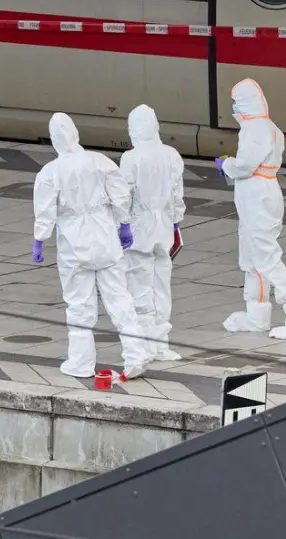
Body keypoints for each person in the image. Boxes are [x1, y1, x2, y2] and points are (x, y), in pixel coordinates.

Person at [32, 112, 151, 381]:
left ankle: (81, 363)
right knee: (120, 299)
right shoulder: (100, 162)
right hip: (105, 238)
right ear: (75, 133)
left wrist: (39, 240)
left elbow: (45, 211)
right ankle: (136, 355)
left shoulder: (50, 173)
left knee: (78, 305)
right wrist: (124, 224)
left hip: (75, 247)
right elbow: (120, 194)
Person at [216, 79, 286, 340]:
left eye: (237, 103)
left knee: (266, 257)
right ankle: (256, 315)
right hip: (262, 194)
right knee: (252, 256)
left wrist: (226, 165)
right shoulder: (267, 127)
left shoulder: (255, 129)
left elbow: (246, 165)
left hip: (257, 196)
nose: (235, 109)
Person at [118, 104, 187, 363]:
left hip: (140, 225)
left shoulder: (131, 158)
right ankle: (161, 344)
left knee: (140, 283)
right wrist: (176, 222)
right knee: (161, 284)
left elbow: (125, 195)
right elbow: (177, 194)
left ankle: (145, 344)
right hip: (164, 225)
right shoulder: (171, 155)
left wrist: (122, 224)